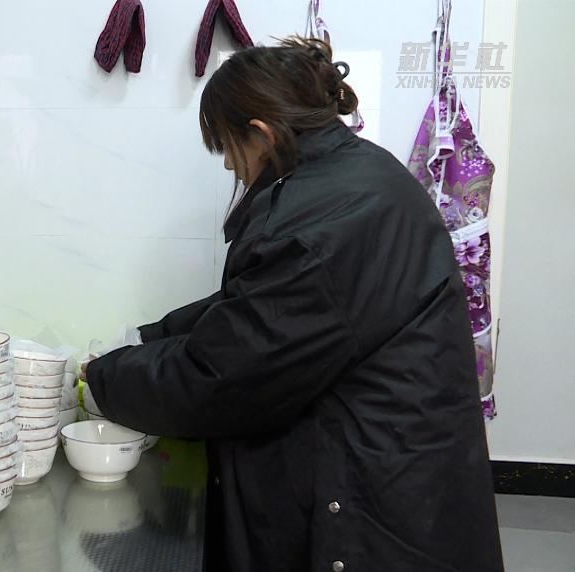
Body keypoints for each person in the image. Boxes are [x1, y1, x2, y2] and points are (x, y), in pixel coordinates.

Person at [84, 37, 504, 572]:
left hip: (371, 500)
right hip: (402, 461)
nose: (231, 167)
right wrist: (151, 337)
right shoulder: (356, 177)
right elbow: (258, 303)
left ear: (261, 134)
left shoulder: (318, 219)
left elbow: (224, 377)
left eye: (228, 149)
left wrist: (104, 379)